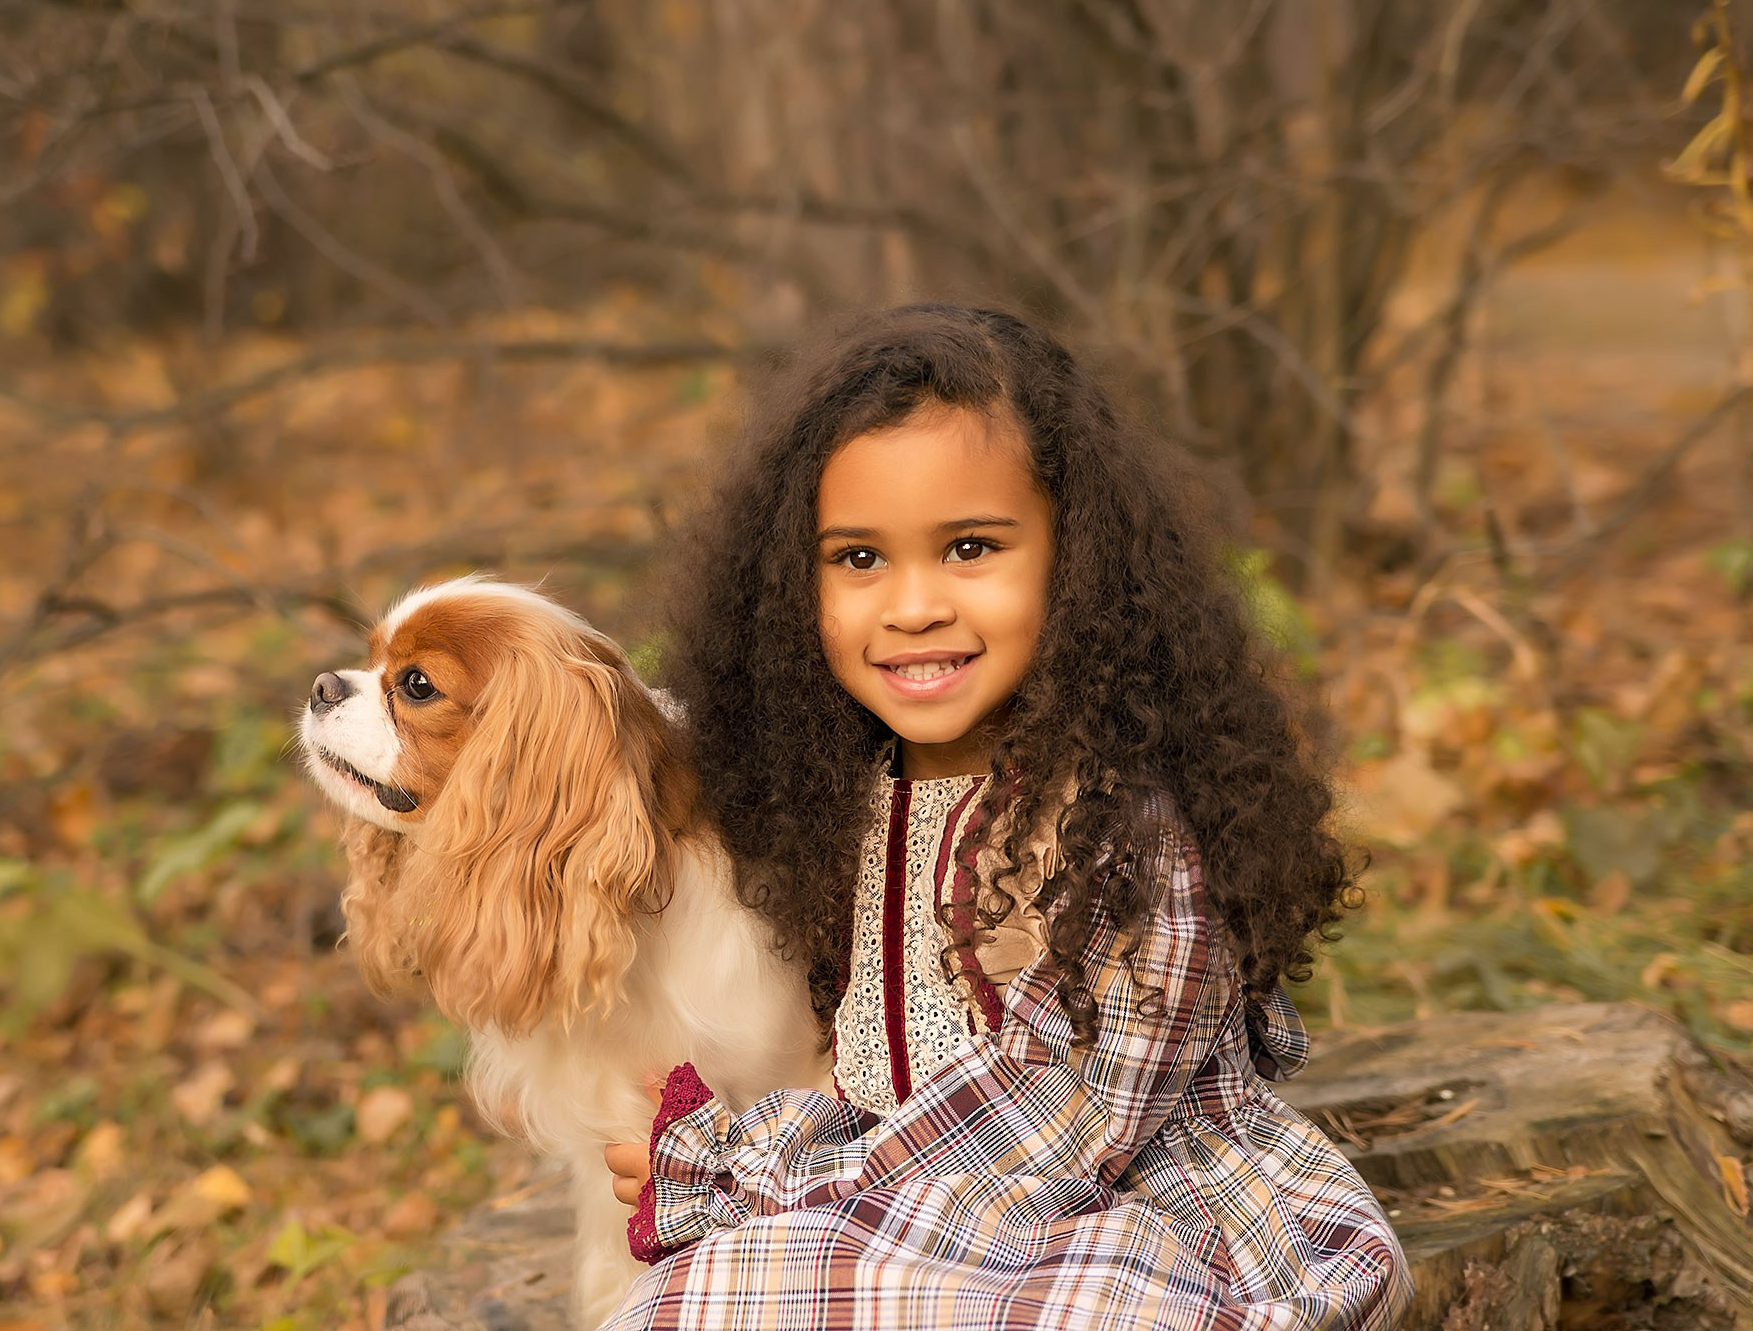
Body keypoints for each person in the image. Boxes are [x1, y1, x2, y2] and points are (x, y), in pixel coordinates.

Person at [601, 305, 1412, 1329]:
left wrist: (739, 1176)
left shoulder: (1121, 825)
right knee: (685, 1303)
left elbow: (1060, 1125)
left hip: (1131, 1221)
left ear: (1076, 559)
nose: (911, 607)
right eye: (857, 560)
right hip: (910, 1225)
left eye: (968, 548)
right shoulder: (829, 804)